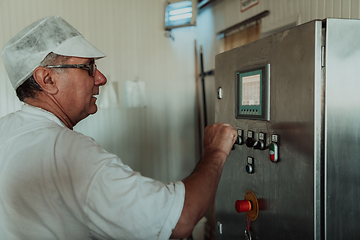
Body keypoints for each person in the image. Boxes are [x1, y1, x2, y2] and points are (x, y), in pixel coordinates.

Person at [0, 16, 237, 240]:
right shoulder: (70, 153)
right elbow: (180, 218)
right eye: (88, 67)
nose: (101, 78)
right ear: (47, 79)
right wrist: (217, 150)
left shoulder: (5, 131)